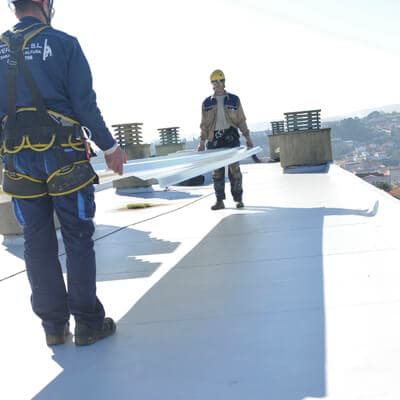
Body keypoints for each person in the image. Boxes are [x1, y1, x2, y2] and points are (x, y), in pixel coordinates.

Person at [0, 0, 127, 346]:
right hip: (65, 157)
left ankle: (53, 328)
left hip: (17, 163)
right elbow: (84, 103)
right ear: (44, 3)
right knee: (77, 237)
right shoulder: (64, 44)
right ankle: (87, 322)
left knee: (36, 241)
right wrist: (110, 147)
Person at [198, 69, 254, 210]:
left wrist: (248, 137)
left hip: (231, 137)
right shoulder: (206, 103)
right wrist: (202, 143)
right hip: (214, 139)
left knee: (234, 170)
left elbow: (241, 120)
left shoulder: (234, 99)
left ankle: (238, 199)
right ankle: (219, 201)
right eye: (214, 81)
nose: (217, 84)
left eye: (220, 81)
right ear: (211, 83)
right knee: (217, 172)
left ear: (224, 82)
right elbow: (204, 125)